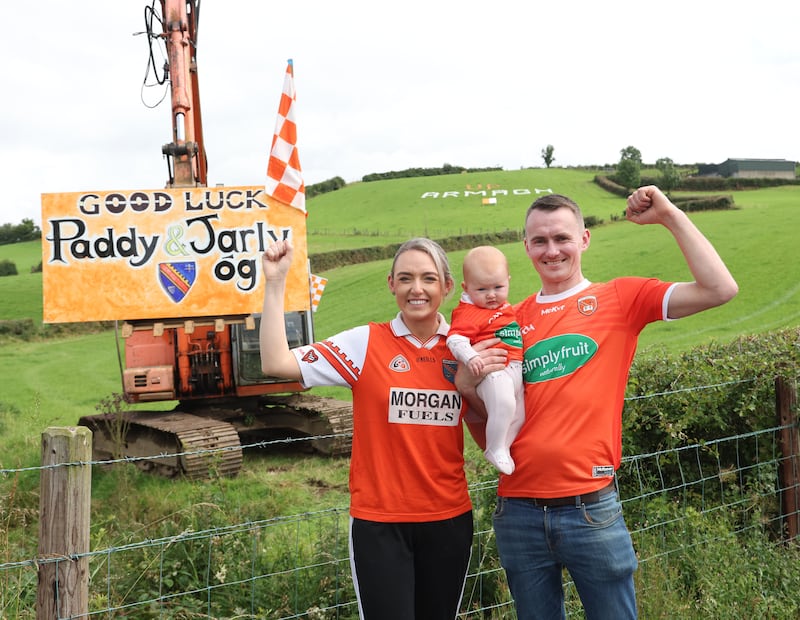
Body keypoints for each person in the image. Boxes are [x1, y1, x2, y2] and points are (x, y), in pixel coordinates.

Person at [456, 186, 738, 619]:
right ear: (527, 247)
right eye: (540, 241)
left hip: (590, 509)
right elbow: (490, 420)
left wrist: (670, 216)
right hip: (517, 511)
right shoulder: (511, 320)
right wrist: (468, 387)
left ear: (584, 239)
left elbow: (720, 289)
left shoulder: (621, 298)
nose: (552, 250)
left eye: (562, 237)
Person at [260, 237, 483, 620]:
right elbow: (276, 363)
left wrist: (471, 385)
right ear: (391, 284)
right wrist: (275, 282)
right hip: (380, 524)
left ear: (447, 286)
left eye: (428, 278)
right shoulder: (365, 343)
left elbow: (490, 421)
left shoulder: (466, 349)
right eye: (406, 278)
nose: (417, 289)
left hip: (449, 520)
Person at [446, 246, 524, 475]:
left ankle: (505, 447)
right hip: (492, 372)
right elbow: (455, 339)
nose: (491, 295)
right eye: (482, 289)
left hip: (514, 368)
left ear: (508, 281)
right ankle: (495, 448)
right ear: (466, 288)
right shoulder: (470, 311)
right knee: (505, 403)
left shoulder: (503, 306)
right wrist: (471, 357)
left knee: (519, 414)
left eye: (498, 287)